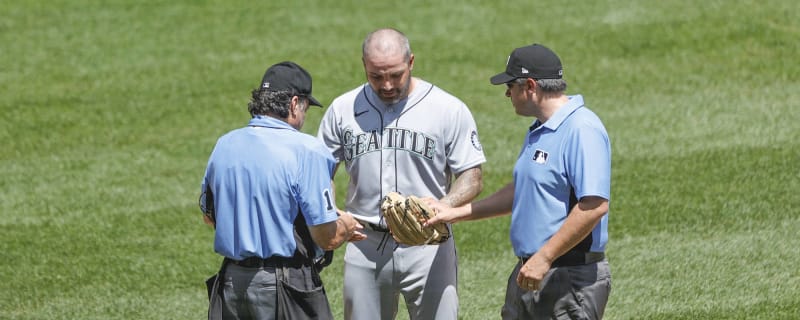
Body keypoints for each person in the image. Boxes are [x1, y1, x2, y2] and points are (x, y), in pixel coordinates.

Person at [424, 44, 612, 319]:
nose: (506, 93)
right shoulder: (539, 130)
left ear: (531, 86)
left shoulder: (581, 129)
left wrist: (544, 257)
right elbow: (521, 192)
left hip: (567, 277)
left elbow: (594, 205)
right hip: (531, 271)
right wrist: (453, 213)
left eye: (511, 85)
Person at [316, 28, 486, 320]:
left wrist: (444, 205)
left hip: (429, 244)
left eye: (395, 75)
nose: (387, 85)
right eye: (376, 76)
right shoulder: (343, 109)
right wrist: (331, 213)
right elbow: (320, 172)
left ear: (411, 62)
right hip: (364, 243)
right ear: (364, 66)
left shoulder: (447, 109)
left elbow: (472, 176)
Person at [199, 61, 365, 320]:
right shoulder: (307, 150)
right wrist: (345, 225)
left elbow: (209, 216)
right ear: (294, 103)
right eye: (306, 108)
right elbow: (326, 237)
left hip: (231, 283)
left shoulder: (224, 145)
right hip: (285, 287)